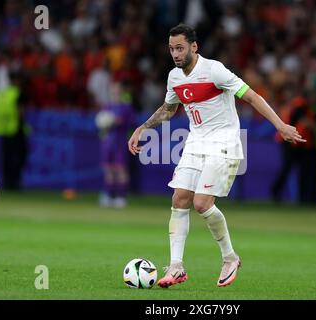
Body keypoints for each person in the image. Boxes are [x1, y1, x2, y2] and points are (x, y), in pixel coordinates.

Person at [128, 24, 305, 288]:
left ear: (193, 47)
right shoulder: (175, 77)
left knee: (201, 203)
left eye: (180, 48)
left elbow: (252, 96)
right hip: (195, 143)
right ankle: (176, 267)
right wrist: (143, 127)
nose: (175, 54)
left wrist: (279, 125)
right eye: (171, 49)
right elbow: (168, 109)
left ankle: (230, 258)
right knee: (180, 198)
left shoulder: (214, 71)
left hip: (223, 143)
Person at [97, 82, 136, 208]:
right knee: (109, 169)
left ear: (121, 91)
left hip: (120, 142)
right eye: (113, 90)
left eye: (117, 90)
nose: (115, 92)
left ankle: (121, 197)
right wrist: (103, 123)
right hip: (108, 142)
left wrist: (115, 120)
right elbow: (101, 123)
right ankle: (109, 196)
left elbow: (130, 122)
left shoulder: (126, 107)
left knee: (120, 169)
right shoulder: (107, 107)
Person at [0, 72, 28, 190]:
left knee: (6, 157)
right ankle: (15, 182)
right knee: (19, 156)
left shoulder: (2, 94)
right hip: (16, 129)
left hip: (3, 130)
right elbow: (20, 112)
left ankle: (7, 182)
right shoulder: (17, 93)